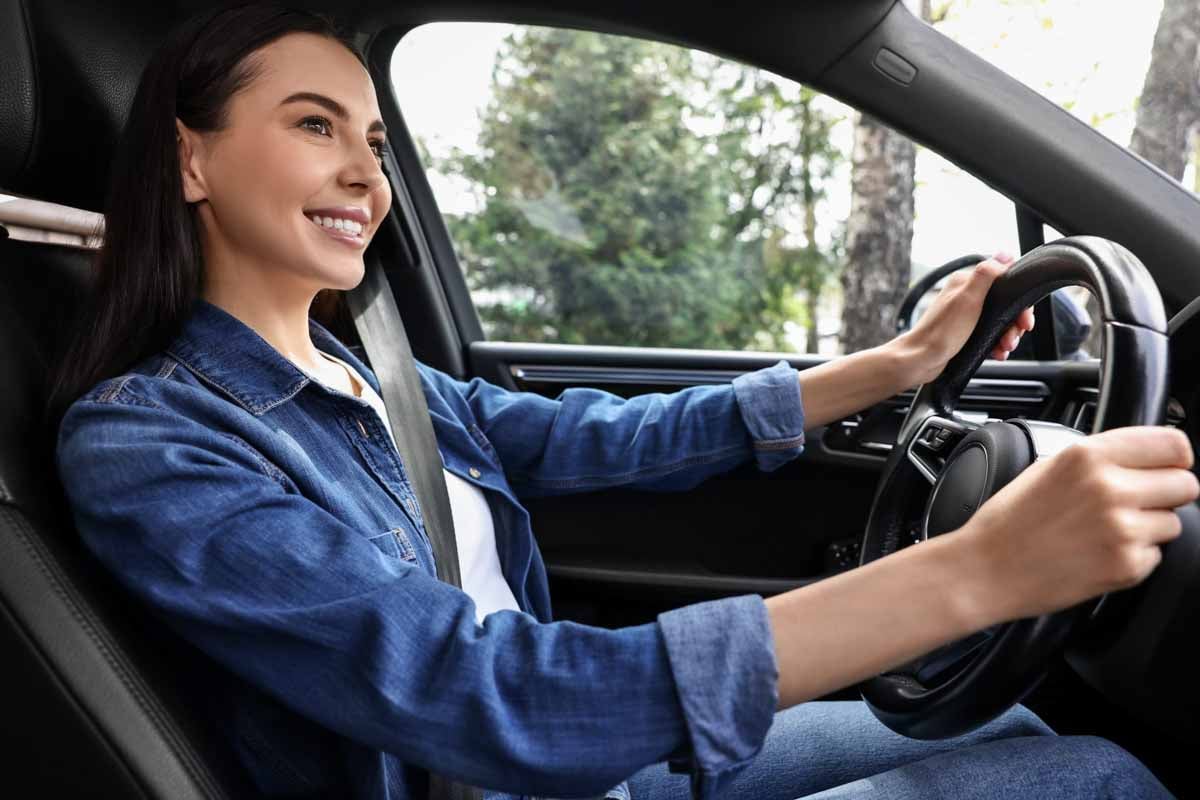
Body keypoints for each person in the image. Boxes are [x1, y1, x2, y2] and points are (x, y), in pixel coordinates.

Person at [47, 4, 1192, 799]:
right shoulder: (152, 441)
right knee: (1100, 777)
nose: (365, 173)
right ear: (192, 160)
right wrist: (978, 571)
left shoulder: (372, 369)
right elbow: (484, 690)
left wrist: (885, 369)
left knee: (1024, 726)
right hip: (519, 763)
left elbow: (600, 433)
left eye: (376, 139)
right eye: (314, 125)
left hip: (589, 765)